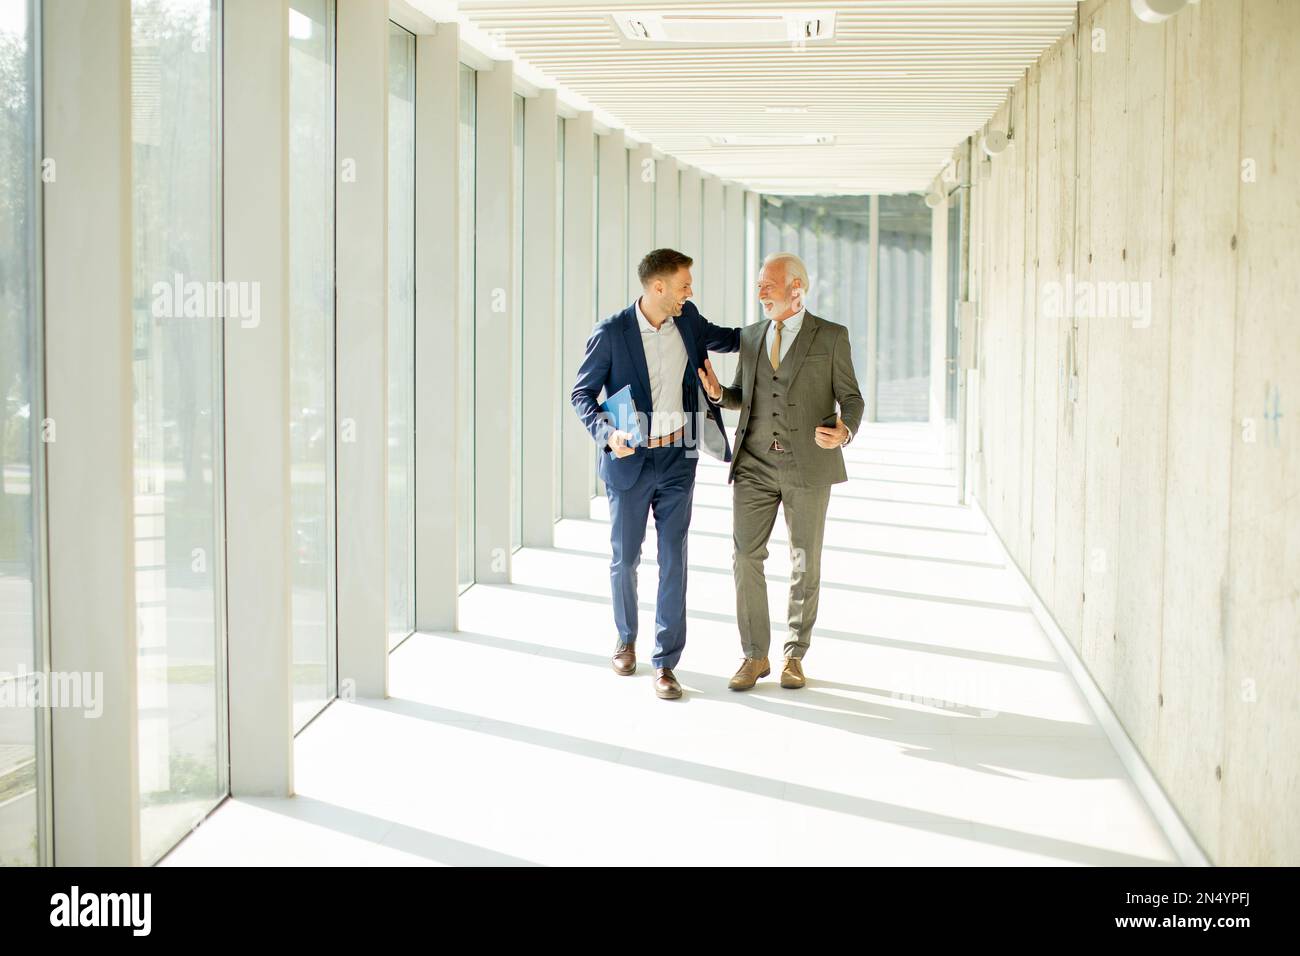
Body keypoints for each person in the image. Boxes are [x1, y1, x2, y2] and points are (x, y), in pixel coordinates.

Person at [571, 248, 741, 699]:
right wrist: (607, 433)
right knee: (625, 558)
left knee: (674, 559)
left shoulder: (687, 320)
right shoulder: (612, 332)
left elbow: (732, 338)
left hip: (678, 458)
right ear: (658, 287)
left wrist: (782, 321)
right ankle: (626, 638)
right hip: (629, 459)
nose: (691, 292)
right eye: (685, 284)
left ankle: (665, 662)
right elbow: (582, 393)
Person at [697, 252, 864, 691]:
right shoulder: (751, 338)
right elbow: (743, 395)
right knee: (745, 557)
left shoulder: (830, 337)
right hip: (752, 463)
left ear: (796, 289)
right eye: (758, 285)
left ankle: (794, 654)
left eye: (767, 285)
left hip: (807, 465)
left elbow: (852, 398)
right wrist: (719, 394)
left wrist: (844, 430)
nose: (760, 293)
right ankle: (754, 655)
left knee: (803, 561)